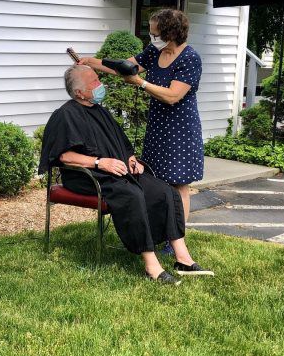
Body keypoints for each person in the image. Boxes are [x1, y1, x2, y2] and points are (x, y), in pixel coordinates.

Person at [40, 64, 213, 284]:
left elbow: (120, 143)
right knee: (131, 194)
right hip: (85, 176)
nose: (100, 84)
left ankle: (183, 258)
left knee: (165, 191)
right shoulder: (65, 115)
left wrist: (130, 158)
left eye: (98, 79)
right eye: (94, 82)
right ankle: (151, 265)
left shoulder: (100, 111)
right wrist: (100, 162)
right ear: (79, 93)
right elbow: (64, 156)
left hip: (117, 171)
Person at [80, 8, 203, 221]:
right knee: (156, 179)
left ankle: (178, 235)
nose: (151, 37)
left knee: (178, 184)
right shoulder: (155, 51)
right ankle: (160, 229)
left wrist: (140, 82)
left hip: (180, 130)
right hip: (157, 127)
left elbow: (173, 96)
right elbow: (125, 67)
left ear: (171, 33)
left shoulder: (190, 58)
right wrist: (91, 62)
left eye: (155, 34)